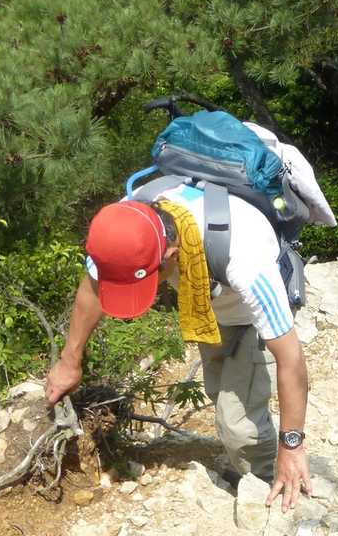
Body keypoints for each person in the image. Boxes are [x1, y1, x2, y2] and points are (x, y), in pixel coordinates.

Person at [45, 184, 312, 512]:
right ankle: (249, 463)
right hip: (211, 308)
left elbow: (291, 358)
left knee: (236, 422)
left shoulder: (244, 253)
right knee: (221, 393)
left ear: (171, 255)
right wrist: (69, 361)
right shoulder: (127, 225)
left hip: (253, 315)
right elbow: (93, 288)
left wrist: (292, 445)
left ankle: (269, 487)